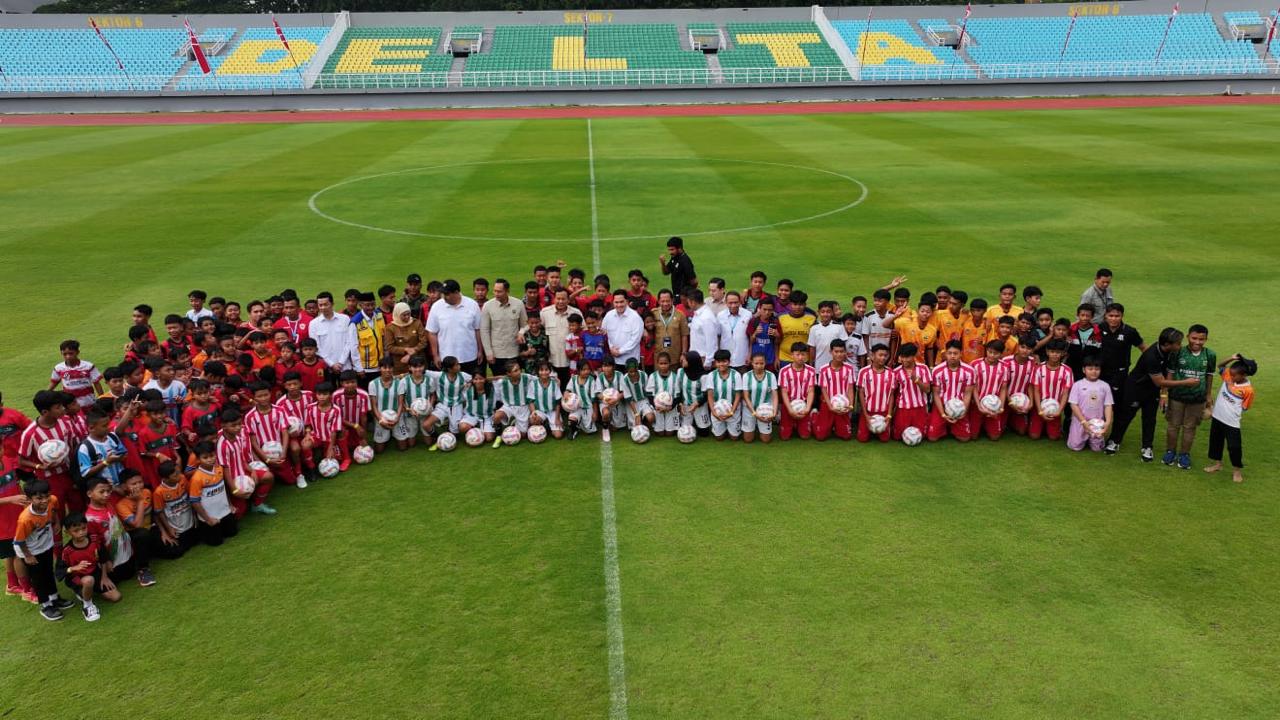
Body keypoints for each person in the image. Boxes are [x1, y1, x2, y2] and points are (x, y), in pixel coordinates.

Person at [1106, 327, 1199, 461]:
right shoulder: (1152, 356)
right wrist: (1186, 382)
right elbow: (1160, 381)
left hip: (1152, 391)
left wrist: (1163, 395)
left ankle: (1147, 447)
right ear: (1167, 344)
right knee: (1125, 415)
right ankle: (1114, 441)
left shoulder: (1170, 352)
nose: (1180, 346)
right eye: (1178, 343)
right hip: (1135, 388)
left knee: (1150, 418)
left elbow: (1168, 372)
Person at [13, 480, 73, 621]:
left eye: (47, 495)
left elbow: (54, 510)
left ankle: (54, 597)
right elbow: (19, 541)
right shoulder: (25, 519)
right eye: (39, 498)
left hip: (45, 544)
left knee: (48, 572)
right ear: (29, 499)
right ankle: (46, 605)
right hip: (30, 551)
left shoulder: (52, 500)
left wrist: (57, 522)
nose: (45, 500)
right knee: (38, 578)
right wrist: (28, 556)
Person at [1162, 324, 1216, 470]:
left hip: (1197, 398)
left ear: (1206, 339)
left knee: (1190, 427)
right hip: (1177, 396)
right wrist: (1164, 393)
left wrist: (1208, 394)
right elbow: (1170, 373)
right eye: (1194, 338)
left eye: (1201, 339)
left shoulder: (1210, 355)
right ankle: (1170, 451)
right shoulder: (1178, 352)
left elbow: (1209, 376)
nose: (1197, 342)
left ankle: (1184, 454)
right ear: (1188, 337)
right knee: (1173, 425)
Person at [18, 390, 76, 518]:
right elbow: (21, 460)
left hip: (71, 473)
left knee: (78, 508)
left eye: (62, 405)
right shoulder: (30, 433)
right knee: (56, 513)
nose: (62, 409)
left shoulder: (65, 421)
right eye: (58, 407)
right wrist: (40, 467)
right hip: (50, 479)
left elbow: (73, 444)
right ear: (45, 412)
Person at [1204, 354, 1256, 483]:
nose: (1230, 377)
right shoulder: (1228, 375)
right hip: (1217, 417)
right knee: (1216, 442)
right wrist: (1232, 358)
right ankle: (1217, 464)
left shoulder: (1248, 390)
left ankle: (1237, 471)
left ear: (1243, 375)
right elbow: (1220, 366)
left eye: (1234, 376)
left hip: (1231, 423)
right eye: (1230, 374)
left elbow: (1245, 407)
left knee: (1234, 447)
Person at [59, 513, 118, 622]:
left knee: (115, 597)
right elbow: (59, 571)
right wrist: (73, 568)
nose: (81, 532)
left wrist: (104, 577)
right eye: (76, 531)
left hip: (95, 572)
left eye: (83, 528)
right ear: (68, 532)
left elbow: (103, 557)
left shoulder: (94, 539)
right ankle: (87, 605)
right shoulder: (66, 551)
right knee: (88, 580)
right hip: (77, 578)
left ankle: (86, 592)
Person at [187, 441, 238, 546]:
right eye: (205, 458)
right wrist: (208, 519)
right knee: (216, 542)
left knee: (233, 533)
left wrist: (230, 505)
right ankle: (204, 529)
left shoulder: (219, 468)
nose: (210, 459)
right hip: (210, 517)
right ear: (198, 460)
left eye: (212, 456)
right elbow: (195, 502)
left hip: (225, 511)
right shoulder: (196, 478)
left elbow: (224, 489)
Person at [927, 341, 975, 443]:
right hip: (942, 406)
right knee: (932, 438)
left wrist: (963, 411)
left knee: (964, 439)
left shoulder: (969, 370)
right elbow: (936, 394)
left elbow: (968, 393)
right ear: (945, 354)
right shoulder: (937, 370)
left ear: (961, 353)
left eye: (955, 353)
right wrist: (943, 414)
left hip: (959, 407)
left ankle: (952, 427)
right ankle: (944, 425)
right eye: (950, 353)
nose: (952, 356)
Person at [1067, 357, 1114, 452]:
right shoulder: (1077, 385)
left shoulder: (1105, 386)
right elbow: (1073, 405)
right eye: (1090, 369)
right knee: (1075, 447)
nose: (1094, 372)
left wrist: (1107, 423)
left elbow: (1108, 405)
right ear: (1084, 370)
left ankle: (1095, 440)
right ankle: (1078, 437)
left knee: (1097, 449)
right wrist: (1083, 422)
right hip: (1080, 422)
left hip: (1096, 424)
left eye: (1097, 369)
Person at [309, 292, 360, 380]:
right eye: (320, 305)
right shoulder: (314, 324)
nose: (323, 308)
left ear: (332, 304)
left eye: (326, 304)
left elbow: (349, 342)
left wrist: (341, 362)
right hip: (326, 367)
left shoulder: (345, 319)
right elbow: (316, 347)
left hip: (345, 366)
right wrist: (331, 364)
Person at [481, 279, 527, 375]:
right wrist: (488, 353)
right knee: (499, 383)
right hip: (497, 354)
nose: (496, 294)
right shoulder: (488, 306)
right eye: (495, 291)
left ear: (507, 291)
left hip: (514, 352)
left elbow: (525, 325)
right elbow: (484, 330)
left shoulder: (518, 304)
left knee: (515, 380)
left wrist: (521, 333)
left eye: (499, 291)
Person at [1029, 339, 1073, 441]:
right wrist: (1040, 410)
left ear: (1062, 354)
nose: (1055, 355)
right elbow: (1036, 390)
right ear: (1047, 352)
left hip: (1055, 409)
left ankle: (1051, 427)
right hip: (1039, 407)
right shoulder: (1039, 368)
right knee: (1034, 436)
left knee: (1053, 437)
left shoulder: (1067, 370)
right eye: (1052, 352)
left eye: (1058, 352)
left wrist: (1059, 411)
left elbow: (1066, 393)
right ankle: (1037, 423)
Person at [151, 460, 196, 558]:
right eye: (175, 475)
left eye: (179, 472)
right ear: (165, 478)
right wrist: (169, 529)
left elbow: (191, 496)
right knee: (179, 551)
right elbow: (159, 513)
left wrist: (195, 515)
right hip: (177, 528)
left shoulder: (183, 479)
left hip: (191, 523)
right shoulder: (158, 492)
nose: (179, 476)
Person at [968, 340, 1010, 441]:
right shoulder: (975, 364)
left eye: (995, 353)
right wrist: (979, 406)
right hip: (977, 404)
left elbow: (1004, 388)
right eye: (990, 352)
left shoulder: (1004, 367)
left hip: (994, 405)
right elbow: (973, 387)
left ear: (1001, 354)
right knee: (973, 437)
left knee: (995, 437)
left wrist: (1000, 407)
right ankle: (979, 424)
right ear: (986, 351)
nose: (992, 355)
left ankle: (987, 424)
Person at [814, 340, 855, 441]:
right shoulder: (823, 369)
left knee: (846, 436)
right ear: (831, 352)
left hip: (843, 405)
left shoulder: (849, 368)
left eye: (842, 351)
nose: (839, 354)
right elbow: (823, 389)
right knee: (820, 437)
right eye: (836, 351)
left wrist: (850, 405)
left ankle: (836, 426)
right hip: (827, 404)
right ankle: (815, 416)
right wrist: (830, 406)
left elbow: (850, 388)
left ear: (845, 352)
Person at [369, 358, 410, 454]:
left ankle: (392, 434)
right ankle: (387, 435)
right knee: (379, 450)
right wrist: (380, 420)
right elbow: (374, 406)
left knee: (403, 447)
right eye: (384, 367)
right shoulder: (373, 384)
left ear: (393, 369)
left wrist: (397, 418)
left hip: (397, 416)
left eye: (390, 367)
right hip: (381, 418)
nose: (387, 370)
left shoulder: (399, 383)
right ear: (380, 369)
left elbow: (401, 403)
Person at [302, 383, 345, 476]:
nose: (321, 397)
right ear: (316, 395)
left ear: (330, 395)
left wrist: (330, 447)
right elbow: (308, 424)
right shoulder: (310, 407)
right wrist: (308, 434)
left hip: (330, 439)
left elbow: (334, 431)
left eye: (325, 394)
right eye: (319, 394)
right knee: (305, 445)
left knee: (335, 459)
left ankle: (326, 454)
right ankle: (311, 468)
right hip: (316, 436)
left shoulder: (336, 410)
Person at [891, 343, 931, 441]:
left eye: (907, 357)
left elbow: (928, 389)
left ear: (914, 356)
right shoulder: (896, 371)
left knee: (922, 436)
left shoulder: (923, 368)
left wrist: (917, 381)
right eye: (902, 357)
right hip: (903, 409)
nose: (904, 360)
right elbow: (893, 392)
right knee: (897, 437)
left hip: (919, 408)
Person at [856, 344, 895, 442]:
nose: (883, 358)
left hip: (884, 412)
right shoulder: (863, 372)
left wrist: (889, 415)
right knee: (862, 439)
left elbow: (891, 395)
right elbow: (861, 394)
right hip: (868, 412)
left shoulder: (891, 373)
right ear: (872, 356)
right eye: (880, 355)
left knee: (885, 439)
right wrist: (865, 415)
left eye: (885, 355)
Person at [777, 342, 815, 441]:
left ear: (806, 355)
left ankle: (812, 415)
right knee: (784, 437)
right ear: (792, 355)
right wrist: (790, 409)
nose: (800, 357)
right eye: (797, 354)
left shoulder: (811, 371)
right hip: (788, 406)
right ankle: (790, 422)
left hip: (803, 405)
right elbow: (784, 392)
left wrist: (807, 408)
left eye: (803, 354)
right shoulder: (784, 371)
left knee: (805, 436)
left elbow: (811, 391)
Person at [50, 340, 103, 409]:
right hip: (70, 407)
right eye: (64, 354)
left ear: (77, 352)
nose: (68, 356)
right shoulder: (58, 368)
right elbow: (54, 382)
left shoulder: (88, 366)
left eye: (71, 353)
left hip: (89, 404)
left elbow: (96, 383)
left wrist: (102, 398)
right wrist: (47, 394)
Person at [739, 352, 778, 444]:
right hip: (749, 409)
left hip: (766, 409)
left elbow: (775, 395)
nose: (759, 366)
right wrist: (754, 413)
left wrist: (774, 412)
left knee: (766, 440)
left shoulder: (771, 376)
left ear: (765, 363)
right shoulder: (746, 376)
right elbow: (745, 396)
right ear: (752, 363)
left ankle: (761, 427)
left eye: (761, 363)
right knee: (748, 440)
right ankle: (753, 426)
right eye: (756, 363)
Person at [703, 350, 742, 441]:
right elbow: (710, 396)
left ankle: (730, 427)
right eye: (718, 362)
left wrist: (731, 412)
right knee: (719, 438)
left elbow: (738, 395)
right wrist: (714, 412)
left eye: (724, 361)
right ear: (715, 363)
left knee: (734, 438)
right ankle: (722, 427)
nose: (721, 364)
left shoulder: (736, 375)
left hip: (733, 411)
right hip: (717, 411)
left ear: (729, 362)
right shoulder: (711, 375)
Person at [335, 371, 370, 468]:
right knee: (341, 430)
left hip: (356, 426)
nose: (350, 385)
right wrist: (355, 425)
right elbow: (336, 417)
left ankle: (354, 443)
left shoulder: (363, 395)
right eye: (347, 383)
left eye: (353, 382)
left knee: (359, 445)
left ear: (357, 382)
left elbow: (364, 416)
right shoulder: (336, 396)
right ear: (342, 384)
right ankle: (347, 458)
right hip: (343, 425)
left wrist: (363, 435)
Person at [539, 289, 574, 385]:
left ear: (568, 300)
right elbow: (537, 330)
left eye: (563, 299)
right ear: (554, 299)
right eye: (558, 299)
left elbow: (583, 331)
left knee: (568, 388)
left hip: (570, 362)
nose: (560, 301)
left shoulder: (575, 313)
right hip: (552, 361)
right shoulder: (545, 313)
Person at [352, 292, 387, 387]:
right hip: (365, 370)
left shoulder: (379, 316)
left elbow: (384, 339)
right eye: (367, 305)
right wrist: (359, 368)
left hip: (380, 366)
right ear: (360, 305)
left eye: (373, 304)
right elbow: (353, 347)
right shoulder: (355, 322)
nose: (371, 308)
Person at [602, 291, 644, 368]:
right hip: (612, 361)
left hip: (631, 362)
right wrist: (611, 348)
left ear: (627, 301)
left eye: (621, 302)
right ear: (613, 302)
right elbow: (604, 334)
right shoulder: (608, 316)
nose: (619, 305)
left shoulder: (635, 317)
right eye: (616, 302)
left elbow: (635, 339)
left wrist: (620, 352)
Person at [385, 303, 428, 376]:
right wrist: (405, 349)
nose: (407, 317)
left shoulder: (417, 323)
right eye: (404, 315)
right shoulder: (390, 328)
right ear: (397, 314)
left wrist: (412, 352)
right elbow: (390, 347)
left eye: (408, 314)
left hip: (418, 362)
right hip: (400, 364)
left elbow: (424, 342)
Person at [778, 291, 816, 367]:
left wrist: (811, 361)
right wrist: (776, 358)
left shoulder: (812, 319)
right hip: (784, 358)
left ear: (805, 305)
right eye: (795, 304)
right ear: (790, 304)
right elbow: (776, 341)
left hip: (804, 359)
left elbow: (813, 342)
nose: (798, 307)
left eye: (801, 304)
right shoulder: (780, 318)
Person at [675, 352, 710, 433]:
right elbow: (678, 389)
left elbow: (706, 394)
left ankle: (698, 422)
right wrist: (680, 404)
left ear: (692, 362)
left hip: (699, 405)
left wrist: (697, 403)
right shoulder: (680, 372)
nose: (682, 361)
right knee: (685, 430)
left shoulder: (703, 376)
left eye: (685, 360)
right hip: (686, 406)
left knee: (704, 433)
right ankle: (691, 421)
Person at [651, 290, 689, 367]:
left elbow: (684, 335)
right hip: (658, 357)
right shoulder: (653, 313)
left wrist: (684, 353)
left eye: (668, 301)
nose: (665, 304)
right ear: (658, 301)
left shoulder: (680, 315)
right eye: (662, 301)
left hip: (675, 357)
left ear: (672, 300)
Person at [807, 301, 847, 371]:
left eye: (828, 312)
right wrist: (811, 364)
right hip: (819, 366)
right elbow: (812, 348)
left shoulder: (839, 326)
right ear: (818, 312)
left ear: (832, 312)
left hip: (836, 367)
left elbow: (844, 346)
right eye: (823, 312)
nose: (825, 314)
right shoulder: (814, 328)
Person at [717, 292, 752, 371]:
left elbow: (751, 338)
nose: (733, 305)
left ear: (740, 302)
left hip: (742, 357)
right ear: (726, 303)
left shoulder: (748, 315)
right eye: (730, 303)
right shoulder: (720, 315)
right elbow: (718, 336)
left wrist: (749, 355)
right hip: (725, 359)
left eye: (736, 302)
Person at [565, 362, 600, 439]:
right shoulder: (573, 379)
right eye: (583, 370)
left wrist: (595, 413)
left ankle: (580, 424)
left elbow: (594, 399)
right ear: (578, 370)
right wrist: (566, 393)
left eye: (588, 369)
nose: (586, 371)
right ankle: (574, 429)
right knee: (571, 420)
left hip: (588, 407)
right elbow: (568, 390)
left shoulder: (591, 380)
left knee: (589, 431)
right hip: (576, 407)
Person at [686, 289, 719, 369]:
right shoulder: (698, 314)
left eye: (688, 302)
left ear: (693, 302)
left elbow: (711, 341)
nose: (688, 305)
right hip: (696, 357)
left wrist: (708, 362)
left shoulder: (706, 317)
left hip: (703, 359)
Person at [659, 236, 695, 304]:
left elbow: (694, 281)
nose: (670, 252)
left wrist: (688, 295)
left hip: (684, 298)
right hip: (676, 296)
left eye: (672, 249)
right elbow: (666, 272)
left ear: (679, 248)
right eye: (669, 250)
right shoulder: (674, 258)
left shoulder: (685, 261)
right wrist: (663, 263)